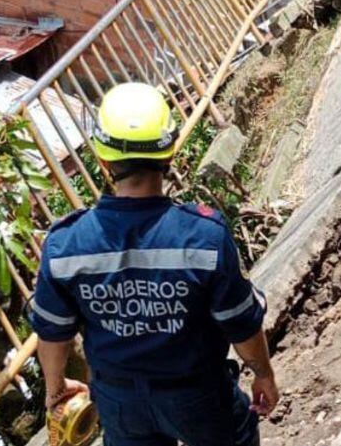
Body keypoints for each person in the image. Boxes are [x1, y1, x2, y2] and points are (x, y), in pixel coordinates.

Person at [28, 82, 279, 446]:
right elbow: (240, 323)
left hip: (120, 403)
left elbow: (53, 332)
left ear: (102, 160)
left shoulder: (65, 246)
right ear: (169, 156)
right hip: (199, 396)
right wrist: (263, 374)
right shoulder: (203, 237)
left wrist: (55, 389)